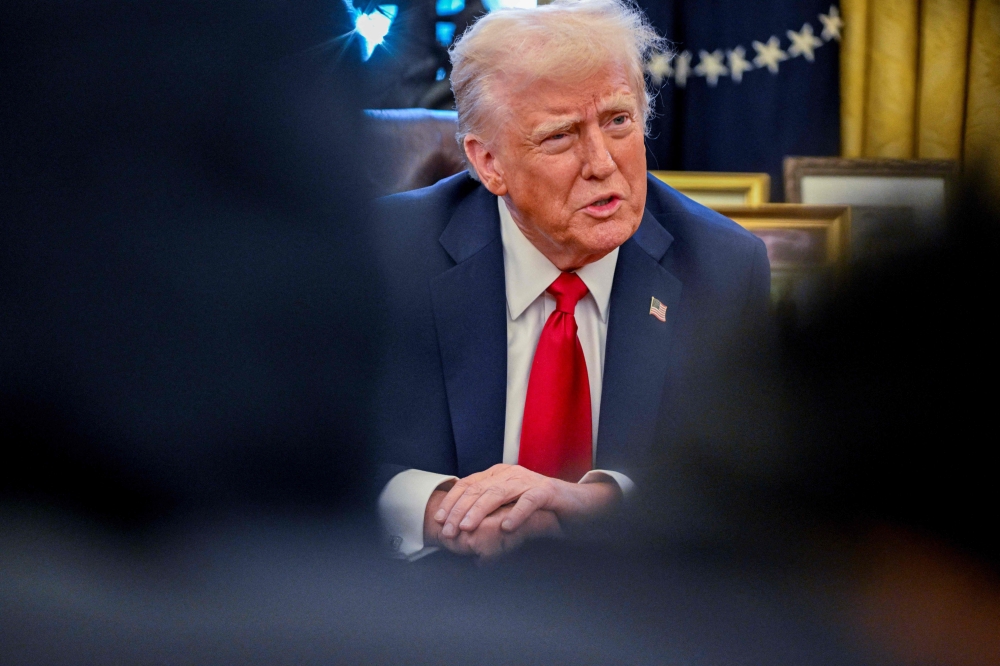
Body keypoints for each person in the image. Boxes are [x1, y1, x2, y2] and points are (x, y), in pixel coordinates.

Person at [372, 0, 771, 561]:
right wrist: (438, 510)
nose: (602, 162)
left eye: (618, 121)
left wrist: (595, 504)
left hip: (636, 620)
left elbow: (750, 487)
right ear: (489, 163)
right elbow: (303, 451)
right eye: (560, 136)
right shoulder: (388, 254)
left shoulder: (722, 267)